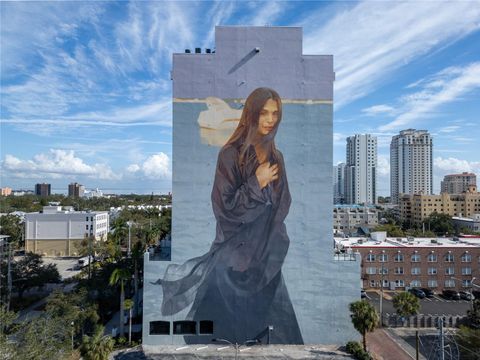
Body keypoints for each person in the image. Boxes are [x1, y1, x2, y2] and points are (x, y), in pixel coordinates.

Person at [156, 87, 303, 344]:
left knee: (280, 334)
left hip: (267, 259)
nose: (270, 119)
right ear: (250, 115)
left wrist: (269, 230)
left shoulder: (276, 156)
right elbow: (224, 209)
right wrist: (257, 184)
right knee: (221, 334)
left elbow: (283, 203)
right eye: (264, 113)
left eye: (275, 114)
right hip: (234, 261)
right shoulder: (230, 155)